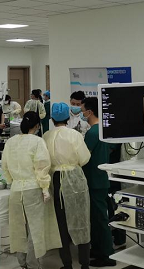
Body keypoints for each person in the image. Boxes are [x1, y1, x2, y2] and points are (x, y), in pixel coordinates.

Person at [2, 112, 61, 269]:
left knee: (18, 227)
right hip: (33, 188)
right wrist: (45, 187)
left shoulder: (11, 142)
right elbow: (42, 166)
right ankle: (33, 264)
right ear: (37, 126)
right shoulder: (37, 141)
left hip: (16, 189)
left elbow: (5, 166)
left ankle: (22, 263)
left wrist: (12, 181)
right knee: (35, 228)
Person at [43, 102, 92, 269]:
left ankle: (67, 264)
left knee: (60, 222)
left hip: (55, 179)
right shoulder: (74, 135)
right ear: (68, 117)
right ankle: (85, 263)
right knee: (81, 219)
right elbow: (84, 158)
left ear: (51, 119)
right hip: (74, 177)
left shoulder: (46, 136)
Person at [82, 97, 116, 267]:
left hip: (94, 181)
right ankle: (97, 249)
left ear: (90, 112)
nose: (82, 113)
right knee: (97, 218)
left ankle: (106, 255)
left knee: (100, 219)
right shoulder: (103, 130)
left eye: (82, 110)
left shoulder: (93, 133)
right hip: (101, 178)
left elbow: (83, 156)